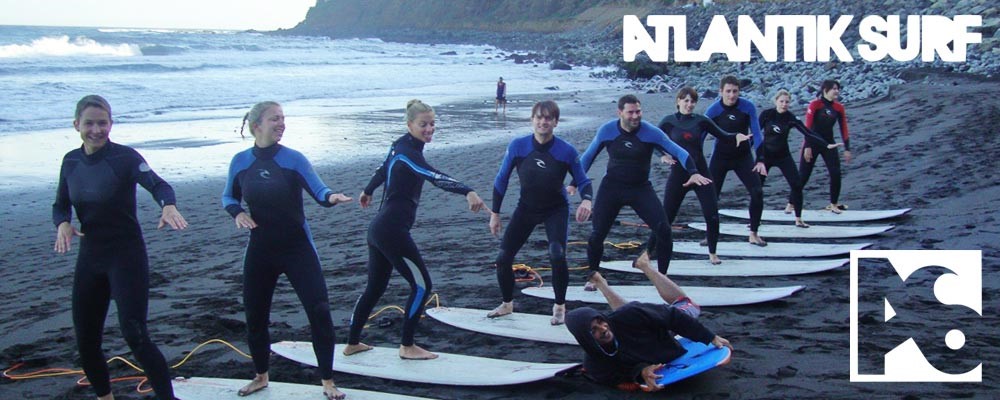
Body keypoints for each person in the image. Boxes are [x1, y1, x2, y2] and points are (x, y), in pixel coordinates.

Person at [53, 95, 188, 400]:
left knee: (135, 334)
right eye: (89, 123)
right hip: (91, 258)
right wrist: (62, 223)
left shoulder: (125, 158)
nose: (97, 129)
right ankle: (105, 396)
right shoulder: (70, 161)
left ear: (111, 124)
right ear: (77, 125)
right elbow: (60, 205)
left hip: (126, 255)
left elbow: (159, 185)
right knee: (86, 341)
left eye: (103, 123)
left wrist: (167, 206)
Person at [222, 101, 352, 399]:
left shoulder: (294, 159)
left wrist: (332, 197)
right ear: (257, 125)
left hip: (297, 248)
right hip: (261, 250)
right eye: (274, 119)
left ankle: (328, 381)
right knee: (255, 316)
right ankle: (260, 376)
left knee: (319, 311)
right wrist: (237, 213)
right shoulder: (240, 161)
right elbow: (229, 196)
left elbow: (319, 191)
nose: (281, 123)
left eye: (283, 118)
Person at [345, 99, 486, 360]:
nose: (429, 129)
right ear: (409, 124)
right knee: (421, 286)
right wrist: (467, 190)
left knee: (374, 289)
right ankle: (407, 346)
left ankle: (352, 342)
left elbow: (382, 167)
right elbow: (432, 175)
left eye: (432, 124)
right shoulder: (408, 153)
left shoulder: (399, 146)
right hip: (391, 231)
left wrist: (368, 189)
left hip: (379, 230)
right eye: (423, 124)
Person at [578, 94, 710, 280]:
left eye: (638, 111)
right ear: (620, 113)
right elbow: (588, 156)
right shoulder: (607, 130)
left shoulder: (650, 132)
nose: (635, 116)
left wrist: (693, 171)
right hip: (612, 188)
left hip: (640, 189)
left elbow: (679, 152)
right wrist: (575, 183)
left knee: (664, 229)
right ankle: (594, 277)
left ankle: (663, 277)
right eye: (630, 112)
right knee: (597, 234)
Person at [487, 100, 593, 325]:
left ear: (555, 122)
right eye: (539, 117)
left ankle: (559, 306)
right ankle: (507, 303)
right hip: (526, 208)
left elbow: (583, 180)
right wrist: (495, 213)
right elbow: (501, 180)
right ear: (532, 119)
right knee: (503, 258)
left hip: (555, 210)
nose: (543, 122)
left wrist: (587, 200)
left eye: (548, 118)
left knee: (557, 253)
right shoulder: (518, 146)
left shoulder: (566, 151)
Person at [565, 252, 733, 392]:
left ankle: (645, 265)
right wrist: (640, 373)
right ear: (585, 338)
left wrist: (708, 337)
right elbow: (617, 378)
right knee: (625, 319)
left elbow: (673, 316)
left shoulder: (631, 314)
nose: (602, 329)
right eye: (594, 329)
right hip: (634, 327)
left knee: (689, 306)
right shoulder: (595, 363)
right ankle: (601, 283)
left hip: (656, 328)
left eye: (601, 323)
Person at [651, 87, 749, 265]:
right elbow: (653, 141)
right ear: (678, 101)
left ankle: (712, 253)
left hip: (701, 174)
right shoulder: (668, 122)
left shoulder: (701, 121)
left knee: (712, 214)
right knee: (666, 216)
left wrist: (737, 136)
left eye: (692, 101)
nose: (689, 105)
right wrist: (662, 155)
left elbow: (723, 135)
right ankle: (649, 251)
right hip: (679, 174)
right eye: (686, 101)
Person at [759, 90, 841, 227]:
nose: (784, 104)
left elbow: (807, 133)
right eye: (781, 101)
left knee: (796, 185)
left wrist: (826, 145)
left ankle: (798, 219)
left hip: (783, 156)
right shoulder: (767, 115)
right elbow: (755, 133)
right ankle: (755, 219)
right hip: (765, 156)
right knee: (757, 188)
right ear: (775, 101)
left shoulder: (791, 117)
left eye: (787, 102)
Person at [704, 76, 767, 246]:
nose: (732, 95)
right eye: (728, 91)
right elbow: (699, 135)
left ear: (739, 91)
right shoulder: (713, 110)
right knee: (711, 196)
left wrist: (760, 159)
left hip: (743, 157)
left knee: (757, 192)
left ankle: (753, 233)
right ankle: (710, 234)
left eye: (735, 91)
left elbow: (757, 133)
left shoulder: (747, 107)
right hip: (720, 157)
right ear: (721, 92)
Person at [797, 79, 852, 213]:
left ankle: (833, 204)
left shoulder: (838, 108)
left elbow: (843, 128)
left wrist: (847, 149)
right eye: (834, 88)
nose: (837, 91)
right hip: (812, 143)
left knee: (836, 173)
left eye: (838, 88)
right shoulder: (815, 105)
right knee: (804, 175)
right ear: (825, 90)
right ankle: (791, 203)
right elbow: (807, 127)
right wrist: (807, 146)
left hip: (829, 144)